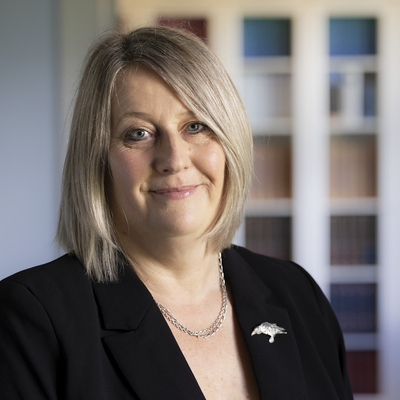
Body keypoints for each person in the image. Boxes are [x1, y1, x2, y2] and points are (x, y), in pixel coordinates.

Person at [0, 26, 353, 400]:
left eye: (195, 126)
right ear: (98, 159)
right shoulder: (32, 319)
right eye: (138, 133)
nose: (174, 159)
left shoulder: (298, 294)